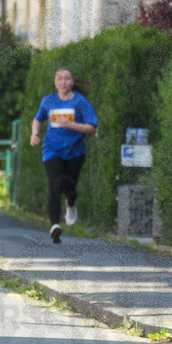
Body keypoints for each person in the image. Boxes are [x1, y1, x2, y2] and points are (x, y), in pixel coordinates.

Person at [30, 67, 98, 244]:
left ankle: (70, 203)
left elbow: (92, 127)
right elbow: (38, 119)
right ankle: (55, 226)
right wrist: (34, 133)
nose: (63, 82)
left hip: (75, 152)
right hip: (52, 150)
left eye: (67, 79)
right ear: (55, 82)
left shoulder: (80, 102)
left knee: (70, 187)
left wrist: (70, 124)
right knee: (54, 185)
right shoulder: (48, 101)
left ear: (72, 82)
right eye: (59, 79)